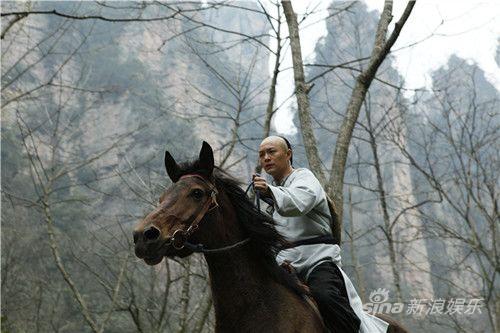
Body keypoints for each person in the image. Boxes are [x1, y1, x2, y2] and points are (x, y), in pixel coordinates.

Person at [253, 136, 389, 333]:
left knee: (324, 296)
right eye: (261, 154)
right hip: (285, 263)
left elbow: (299, 202)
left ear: (288, 154)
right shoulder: (275, 197)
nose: (266, 158)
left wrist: (270, 192)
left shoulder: (304, 178)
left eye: (271, 152)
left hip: (318, 261)